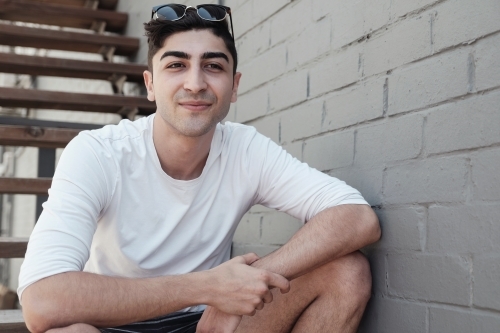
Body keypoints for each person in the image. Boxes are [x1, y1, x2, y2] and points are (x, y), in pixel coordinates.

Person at [18, 4, 380, 333]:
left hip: (207, 323)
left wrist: (239, 285)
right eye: (176, 65)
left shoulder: (244, 148)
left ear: (234, 86)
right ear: (150, 84)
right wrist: (209, 286)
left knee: (346, 271)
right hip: (113, 322)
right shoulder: (98, 153)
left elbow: (357, 218)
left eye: (213, 66)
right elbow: (42, 301)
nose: (195, 83)